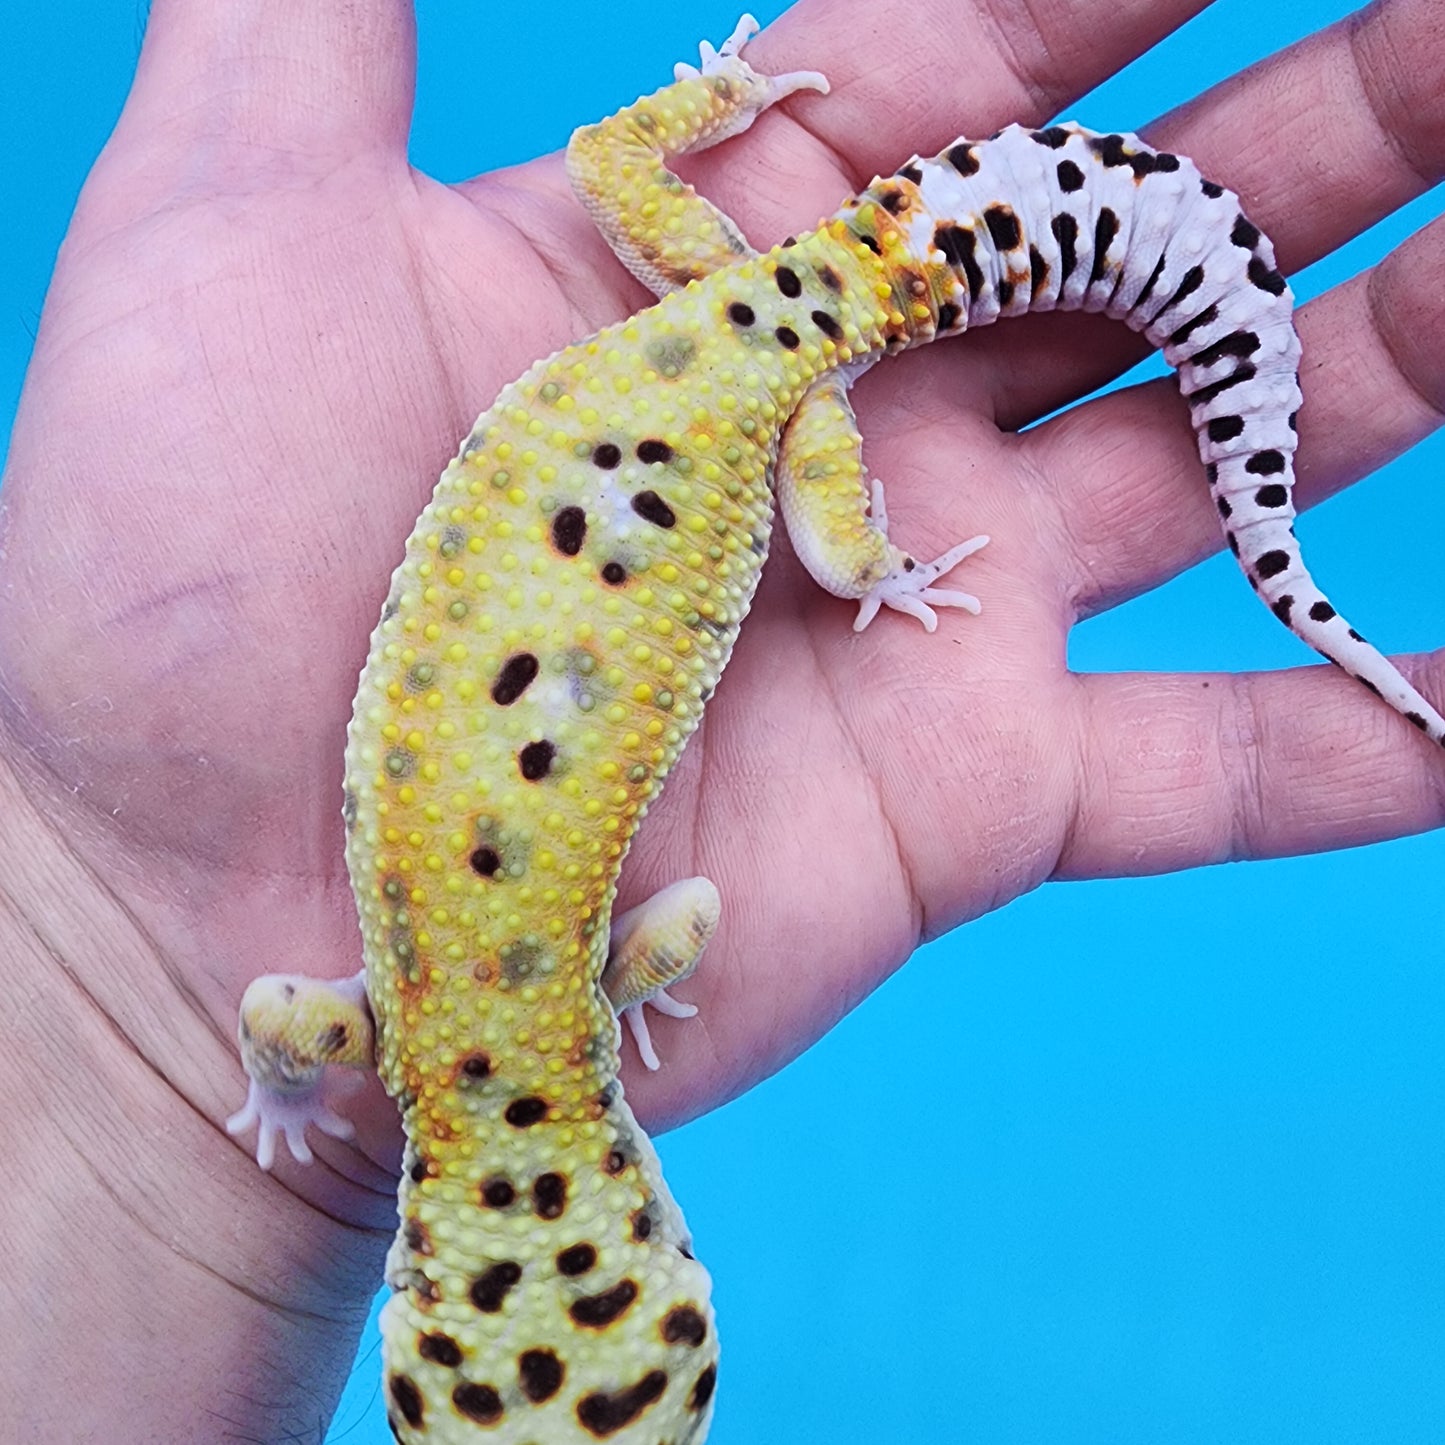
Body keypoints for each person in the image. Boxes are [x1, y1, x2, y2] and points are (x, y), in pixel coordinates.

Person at [0, 1, 1441, 1438]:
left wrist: (871, 572)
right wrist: (244, 1099)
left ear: (661, 1233)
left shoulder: (618, 976)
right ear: (410, 1290)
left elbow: (676, 919)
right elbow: (272, 1021)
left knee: (837, 559)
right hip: (697, 339)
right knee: (618, 181)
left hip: (757, 395)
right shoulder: (358, 1029)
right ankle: (720, 113)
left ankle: (935, 530)